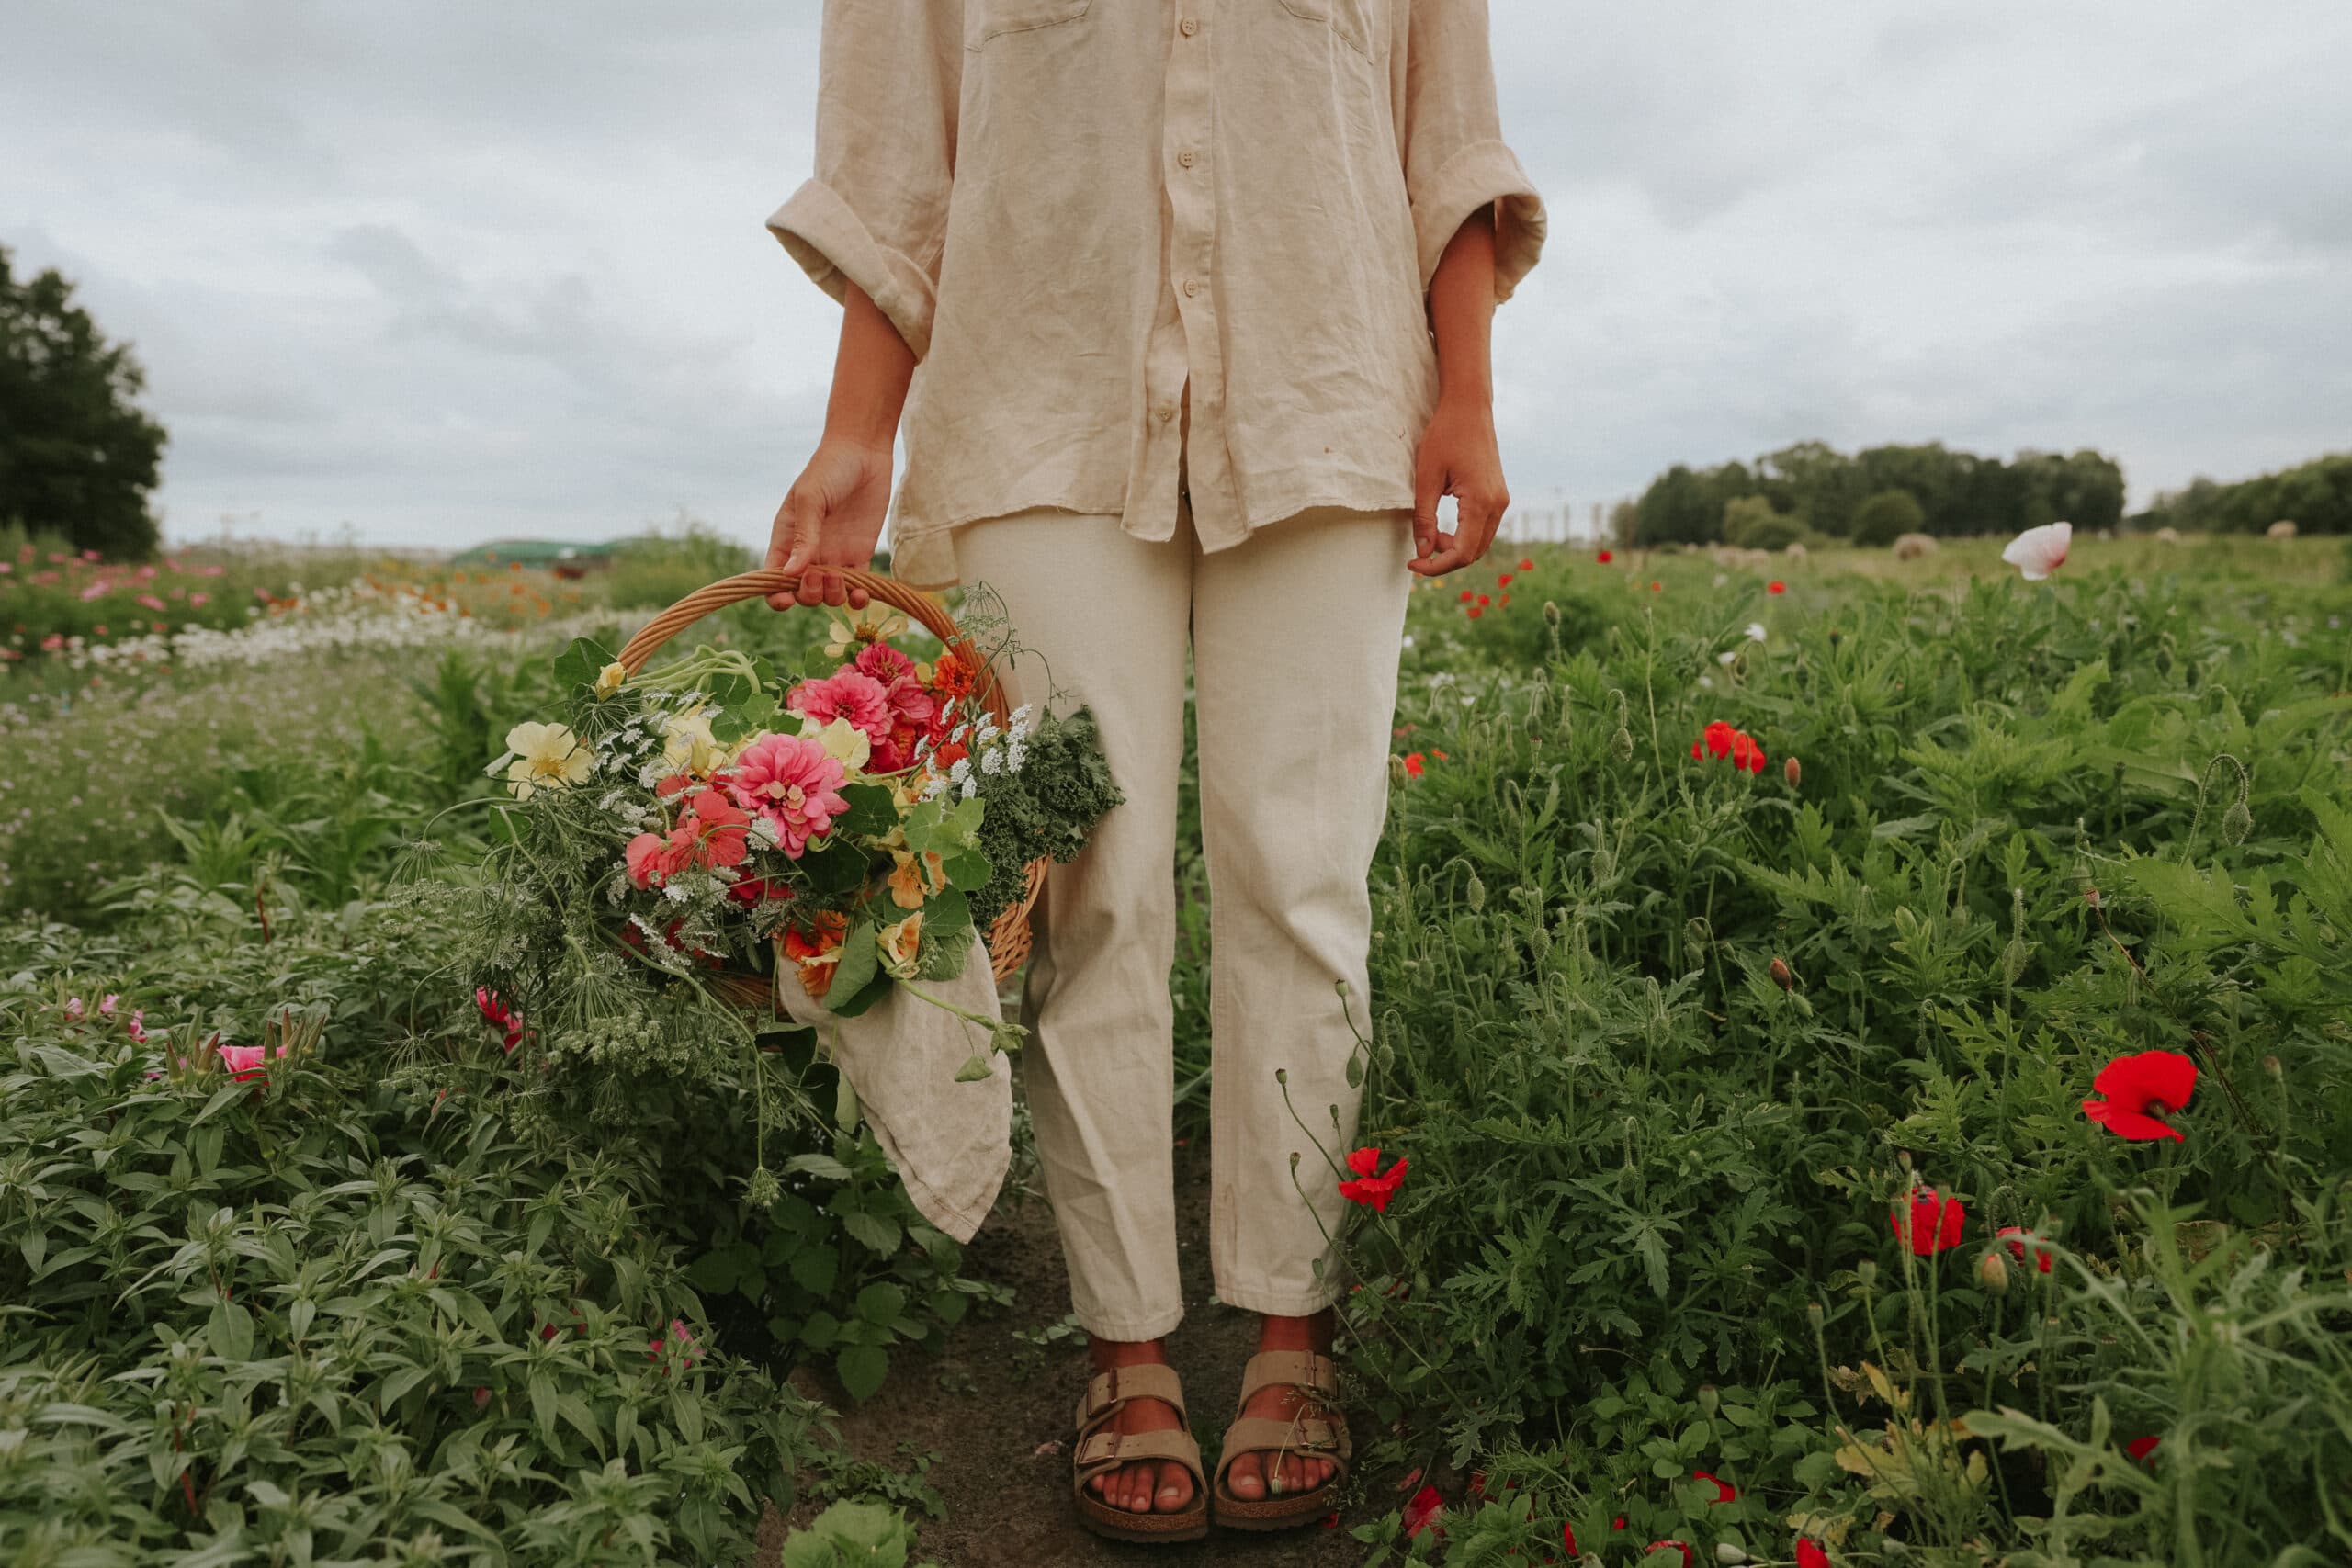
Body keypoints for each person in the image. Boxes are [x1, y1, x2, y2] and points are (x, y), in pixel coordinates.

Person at [763, 0, 1543, 1542]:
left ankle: (1292, 1328)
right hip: (1035, 395)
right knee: (1088, 888)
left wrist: (1466, 392)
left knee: (1301, 875)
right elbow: (897, 159)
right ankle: (1124, 1346)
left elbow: (1439, 131)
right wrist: (859, 434)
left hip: (1328, 392)